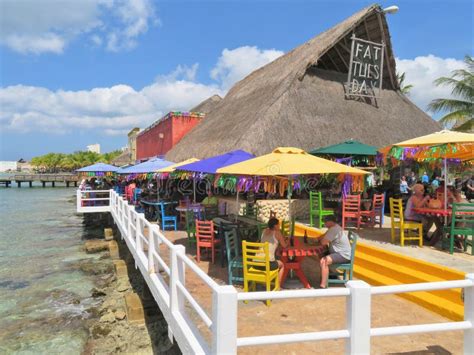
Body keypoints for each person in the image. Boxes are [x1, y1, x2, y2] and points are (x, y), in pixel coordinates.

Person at [316, 215, 352, 289]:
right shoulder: (334, 227)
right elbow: (321, 237)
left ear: (330, 222)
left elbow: (323, 242)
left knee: (324, 261)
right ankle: (329, 274)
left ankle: (323, 285)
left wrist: (321, 238)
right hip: (340, 253)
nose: (324, 224)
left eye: (325, 222)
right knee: (321, 254)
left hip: (342, 255)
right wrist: (322, 237)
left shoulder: (333, 230)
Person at [259, 218, 289, 283]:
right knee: (282, 265)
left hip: (256, 263)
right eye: (279, 225)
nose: (279, 226)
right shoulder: (277, 233)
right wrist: (287, 241)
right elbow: (284, 245)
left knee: (275, 259)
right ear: (275, 226)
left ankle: (268, 282)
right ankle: (277, 288)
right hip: (267, 264)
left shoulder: (263, 231)